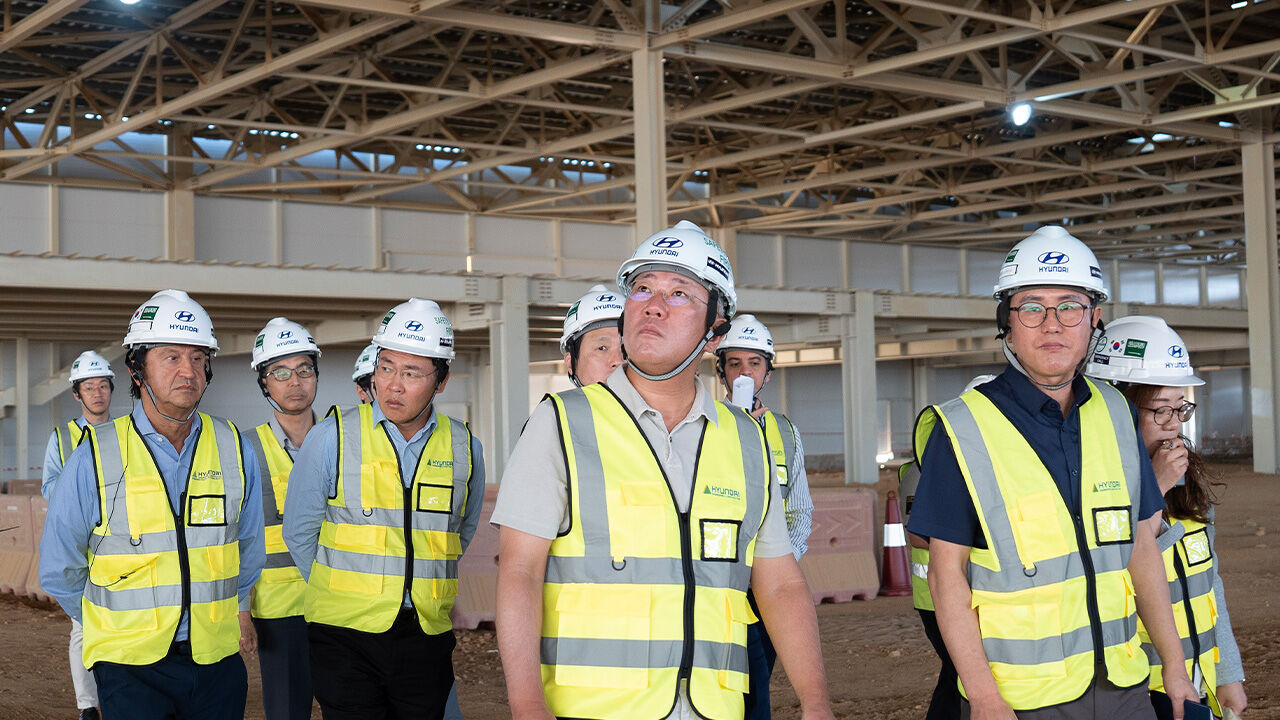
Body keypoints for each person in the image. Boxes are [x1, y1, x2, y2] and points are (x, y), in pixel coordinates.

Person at [494, 219, 835, 720]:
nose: (653, 304)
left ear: (716, 330)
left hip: (712, 709)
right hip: (593, 710)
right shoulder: (562, 423)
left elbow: (780, 583)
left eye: (680, 293)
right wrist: (527, 706)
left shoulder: (746, 440)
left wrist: (816, 701)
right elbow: (520, 572)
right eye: (642, 288)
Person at [906, 226, 1199, 720]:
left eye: (1069, 306)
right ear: (1007, 322)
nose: (1052, 325)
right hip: (1020, 699)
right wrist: (983, 697)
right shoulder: (961, 428)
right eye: (1032, 308)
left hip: (1123, 684)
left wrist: (1173, 664)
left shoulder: (1115, 412)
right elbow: (945, 576)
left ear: (1094, 319)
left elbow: (1141, 550)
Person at [38, 289, 266, 720]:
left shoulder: (234, 446)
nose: (189, 371)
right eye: (171, 357)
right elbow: (60, 567)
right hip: (129, 668)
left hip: (215, 661)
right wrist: (108, 628)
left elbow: (249, 550)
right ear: (137, 368)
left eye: (198, 358)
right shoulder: (95, 455)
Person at [283, 298, 485, 720]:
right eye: (386, 367)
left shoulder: (465, 446)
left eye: (411, 373)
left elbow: (458, 534)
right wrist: (341, 591)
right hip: (343, 636)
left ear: (441, 380)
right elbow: (299, 532)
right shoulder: (332, 437)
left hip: (425, 634)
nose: (393, 385)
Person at [1085, 316, 1247, 718]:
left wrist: (1227, 672)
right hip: (1138, 691)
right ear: (1116, 409)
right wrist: (1151, 491)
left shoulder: (1185, 485)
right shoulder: (1092, 489)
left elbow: (1212, 583)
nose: (1174, 423)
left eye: (1181, 408)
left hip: (1196, 682)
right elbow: (1114, 570)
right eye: (1159, 410)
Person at [712, 313, 814, 720]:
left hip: (768, 588)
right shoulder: (702, 425)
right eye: (734, 363)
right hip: (720, 587)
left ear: (768, 371)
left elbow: (799, 510)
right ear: (721, 371)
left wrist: (779, 567)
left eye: (754, 363)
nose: (744, 373)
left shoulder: (786, 432)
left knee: (757, 681)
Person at [902, 374, 995, 720]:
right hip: (937, 596)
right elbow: (917, 534)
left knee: (959, 673)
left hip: (973, 591)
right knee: (958, 673)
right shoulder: (924, 469)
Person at [243, 318, 321, 720]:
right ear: (264, 383)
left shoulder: (342, 440)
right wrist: (242, 609)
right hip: (279, 611)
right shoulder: (247, 449)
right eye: (281, 372)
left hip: (344, 604)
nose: (296, 381)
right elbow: (239, 535)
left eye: (305, 369)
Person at [41, 350, 116, 720]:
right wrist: (82, 487)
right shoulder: (62, 438)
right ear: (77, 394)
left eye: (103, 386)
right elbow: (48, 488)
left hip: (116, 544)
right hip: (78, 546)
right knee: (82, 627)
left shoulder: (125, 434)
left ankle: (115, 695)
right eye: (90, 387)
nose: (98, 393)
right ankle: (88, 705)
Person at [561, 284, 624, 387]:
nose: (619, 361)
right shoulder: (555, 403)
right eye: (602, 348)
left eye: (627, 348)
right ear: (571, 364)